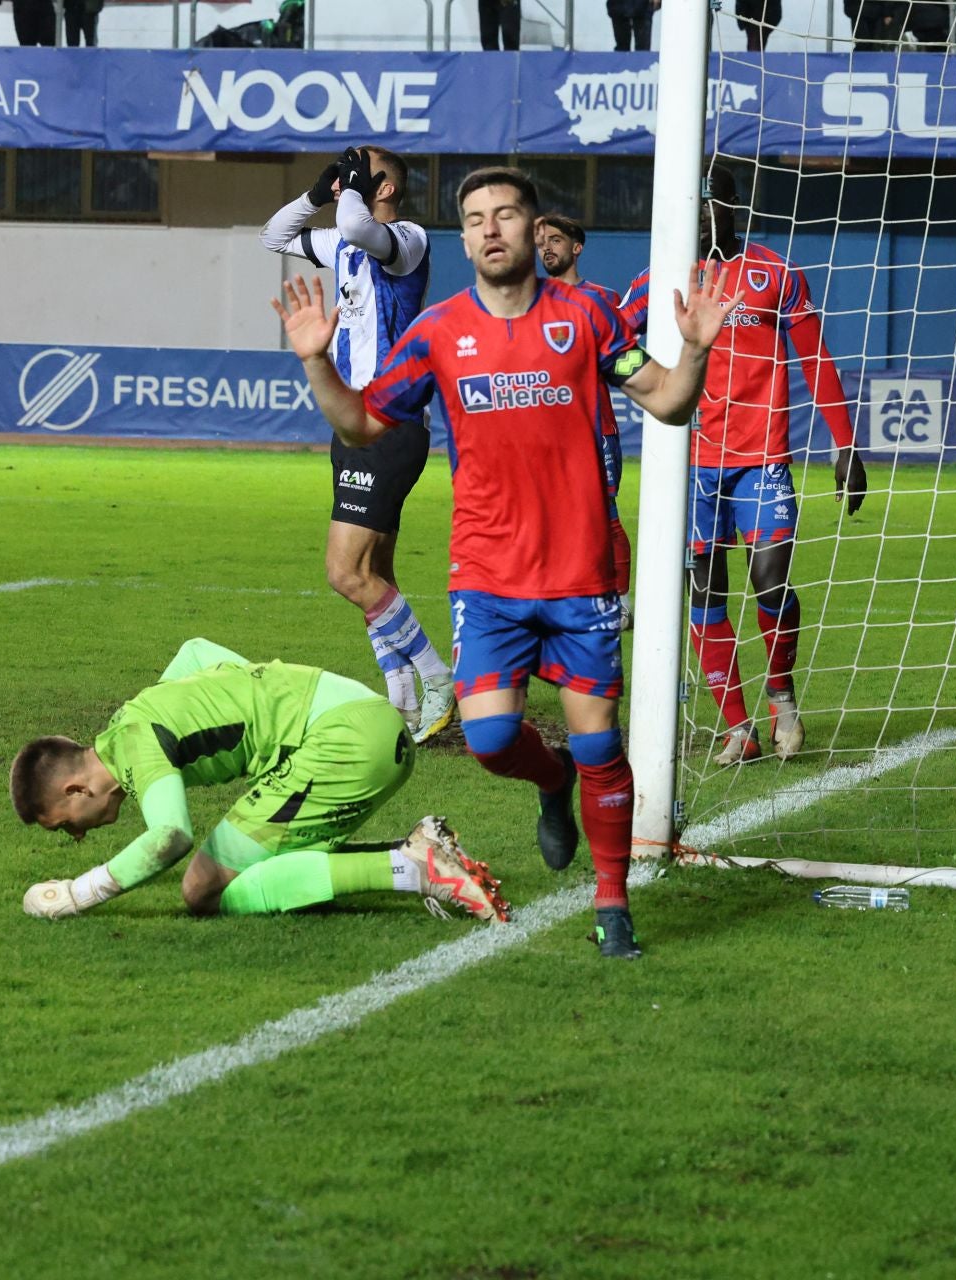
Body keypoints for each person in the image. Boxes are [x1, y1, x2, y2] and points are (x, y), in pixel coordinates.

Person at [275, 166, 737, 959]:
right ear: (465, 238)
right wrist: (319, 361)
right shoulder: (437, 334)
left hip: (582, 573)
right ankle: (549, 781)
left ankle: (613, 901)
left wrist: (693, 349)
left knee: (601, 746)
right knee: (491, 741)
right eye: (477, 218)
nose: (492, 229)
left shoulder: (586, 316)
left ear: (533, 230)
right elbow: (359, 426)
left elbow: (667, 401)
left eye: (508, 215)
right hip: (487, 578)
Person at [620, 165, 868, 765]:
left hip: (762, 458)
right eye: (696, 202)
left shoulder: (774, 273)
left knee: (770, 577)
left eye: (715, 201)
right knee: (704, 586)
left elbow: (815, 357)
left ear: (736, 204)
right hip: (691, 463)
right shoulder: (660, 279)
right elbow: (608, 341)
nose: (705, 212)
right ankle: (737, 726)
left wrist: (846, 443)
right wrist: (643, 384)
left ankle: (780, 693)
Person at [9, 637, 508, 923]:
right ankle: (417, 847)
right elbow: (196, 650)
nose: (76, 835)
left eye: (63, 824)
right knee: (255, 860)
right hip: (363, 721)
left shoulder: (136, 745)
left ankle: (412, 868)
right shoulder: (137, 716)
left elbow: (170, 835)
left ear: (76, 790)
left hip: (343, 742)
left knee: (202, 889)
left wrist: (82, 892)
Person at [260, 147, 455, 745]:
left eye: (361, 171)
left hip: (389, 421)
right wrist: (319, 191)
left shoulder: (407, 239)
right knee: (375, 572)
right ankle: (399, 702)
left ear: (387, 185)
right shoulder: (345, 239)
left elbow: (355, 224)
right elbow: (276, 235)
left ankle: (437, 681)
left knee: (344, 573)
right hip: (353, 422)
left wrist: (347, 192)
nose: (350, 180)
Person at [537, 212, 632, 627]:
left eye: (556, 240)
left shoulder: (605, 299)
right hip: (541, 429)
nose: (546, 248)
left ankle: (624, 600)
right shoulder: (528, 299)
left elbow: (623, 360)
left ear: (577, 248)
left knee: (603, 513)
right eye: (541, 241)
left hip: (594, 427)